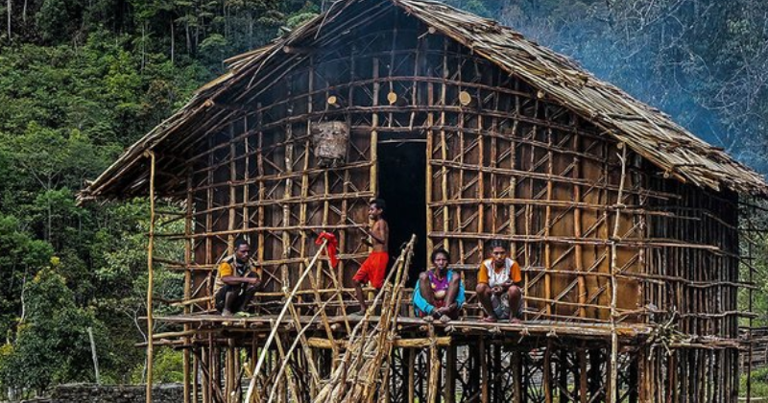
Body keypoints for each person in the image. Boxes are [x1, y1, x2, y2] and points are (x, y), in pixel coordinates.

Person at [352, 198, 389, 314]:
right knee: (356, 280)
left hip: (381, 256)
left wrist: (369, 232)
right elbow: (376, 244)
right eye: (369, 210)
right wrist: (367, 242)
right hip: (374, 255)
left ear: (380, 211)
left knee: (378, 286)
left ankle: (386, 310)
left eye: (372, 210)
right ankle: (363, 308)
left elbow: (383, 240)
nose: (369, 212)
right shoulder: (375, 224)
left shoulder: (382, 223)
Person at [475, 240, 523, 323]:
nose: (499, 256)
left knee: (514, 289)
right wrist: (494, 290)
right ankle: (491, 316)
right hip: (493, 302)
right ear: (491, 253)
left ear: (507, 253)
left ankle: (513, 317)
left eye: (502, 253)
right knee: (480, 287)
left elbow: (518, 285)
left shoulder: (512, 264)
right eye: (496, 253)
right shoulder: (486, 265)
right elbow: (483, 286)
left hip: (509, 303)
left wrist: (504, 288)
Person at [413, 248, 465, 323]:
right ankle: (431, 314)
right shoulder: (427, 276)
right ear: (433, 262)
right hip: (429, 311)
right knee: (422, 275)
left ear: (448, 262)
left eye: (444, 260)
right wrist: (431, 309)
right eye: (438, 260)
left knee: (456, 276)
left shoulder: (452, 276)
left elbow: (461, 296)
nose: (441, 262)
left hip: (448, 312)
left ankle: (444, 313)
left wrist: (450, 308)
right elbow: (417, 297)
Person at [214, 239, 262, 316]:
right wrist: (247, 280)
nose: (246, 254)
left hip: (237, 298)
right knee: (234, 283)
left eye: (248, 251)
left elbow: (253, 279)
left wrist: (256, 283)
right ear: (236, 251)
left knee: (253, 276)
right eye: (243, 251)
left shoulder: (250, 263)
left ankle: (242, 308)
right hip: (221, 300)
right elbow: (225, 278)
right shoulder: (227, 262)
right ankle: (226, 311)